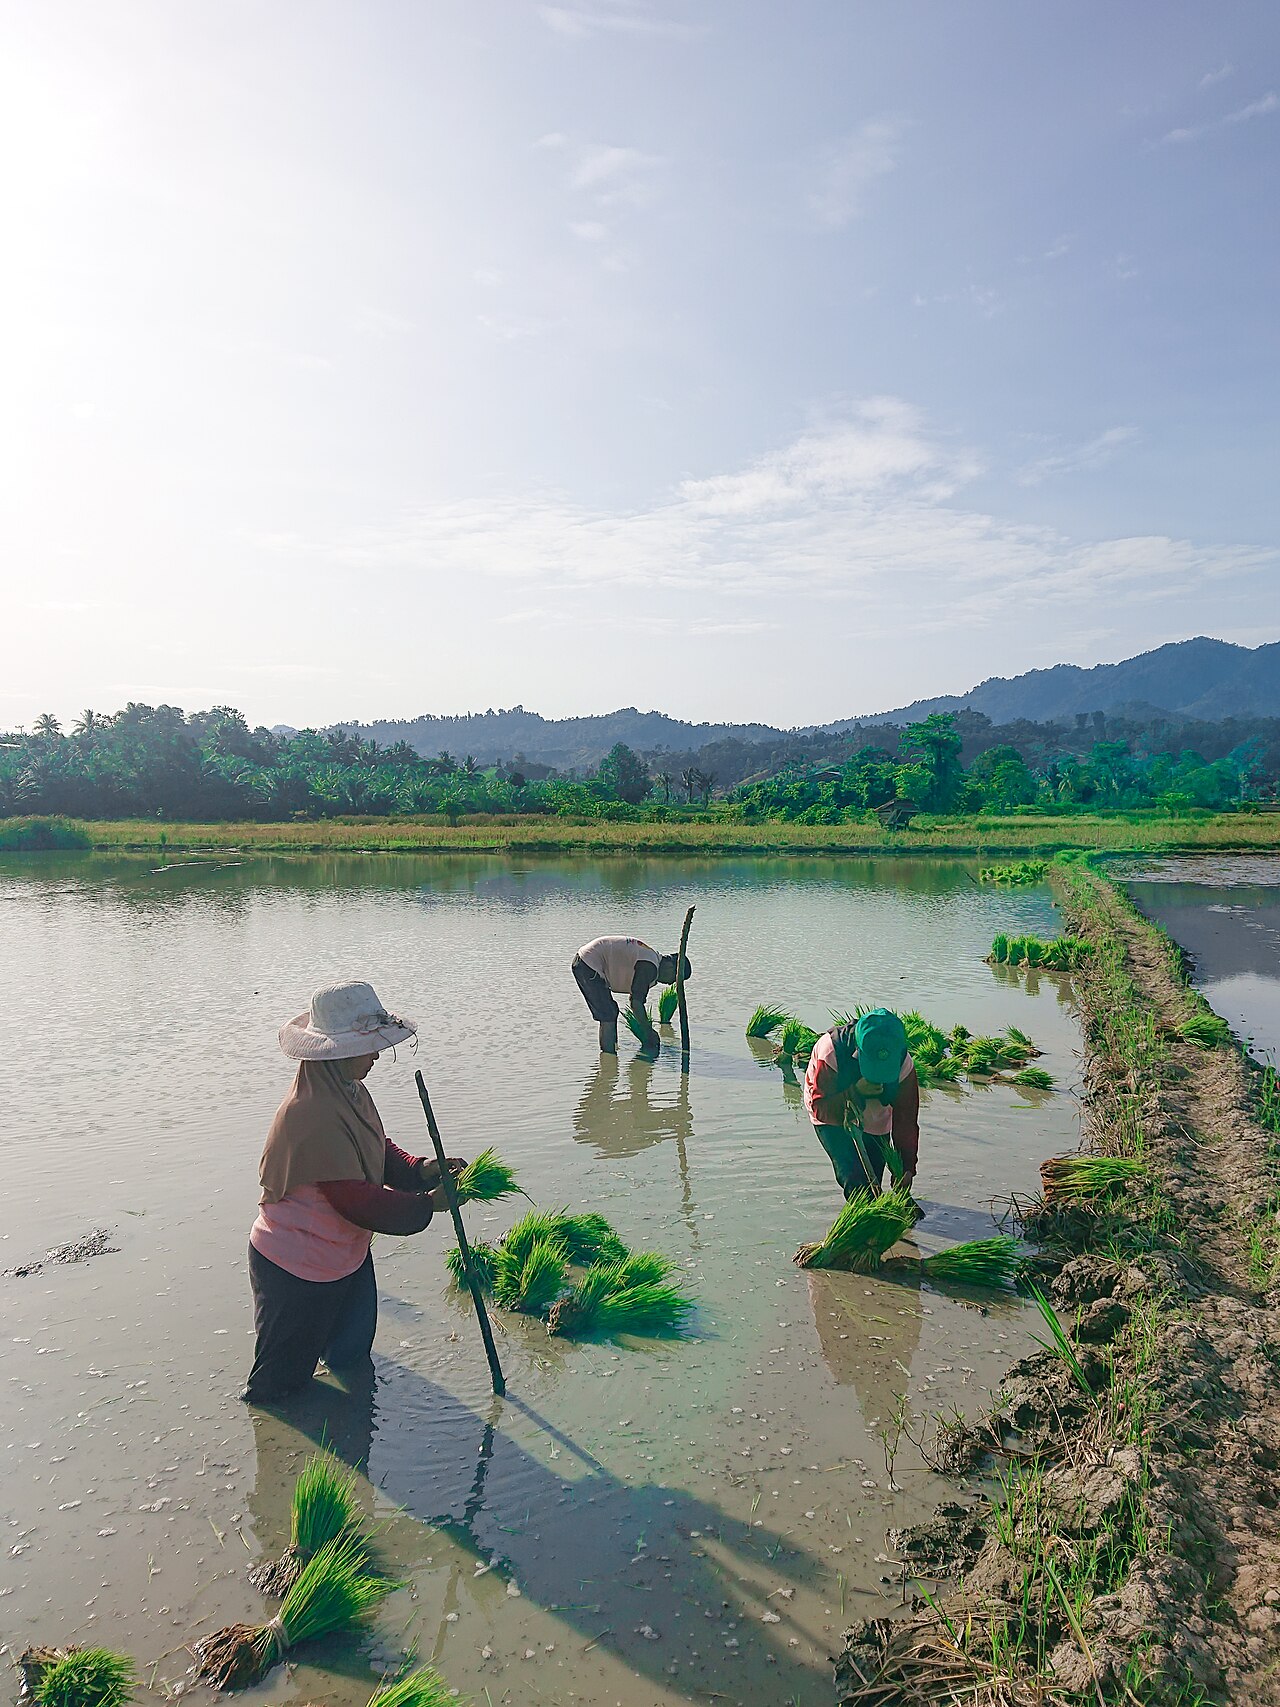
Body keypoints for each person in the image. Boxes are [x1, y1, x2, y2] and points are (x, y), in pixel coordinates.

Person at [242, 980, 465, 1404]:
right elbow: (357, 1201)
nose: (377, 1055)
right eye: (369, 1047)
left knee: (350, 1359)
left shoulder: (349, 1093)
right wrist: (428, 1205)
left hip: (346, 1256)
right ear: (337, 1052)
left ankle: (347, 1435)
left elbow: (378, 1151)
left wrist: (422, 1170)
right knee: (278, 1387)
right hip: (297, 1268)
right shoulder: (310, 1114)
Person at [802, 1007, 919, 1198]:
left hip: (877, 1118)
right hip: (831, 1114)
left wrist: (906, 1166)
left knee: (873, 1186)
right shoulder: (830, 1051)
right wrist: (855, 1092)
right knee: (858, 1187)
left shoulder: (904, 1063)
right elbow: (820, 1108)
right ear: (859, 1051)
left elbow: (906, 1118)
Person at [571, 935, 692, 1054]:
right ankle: (608, 1054)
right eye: (675, 979)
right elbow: (636, 1002)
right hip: (588, 963)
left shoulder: (651, 960)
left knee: (610, 1011)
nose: (670, 983)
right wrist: (649, 1032)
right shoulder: (649, 966)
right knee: (607, 1014)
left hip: (588, 960)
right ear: (671, 967)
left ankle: (609, 1064)